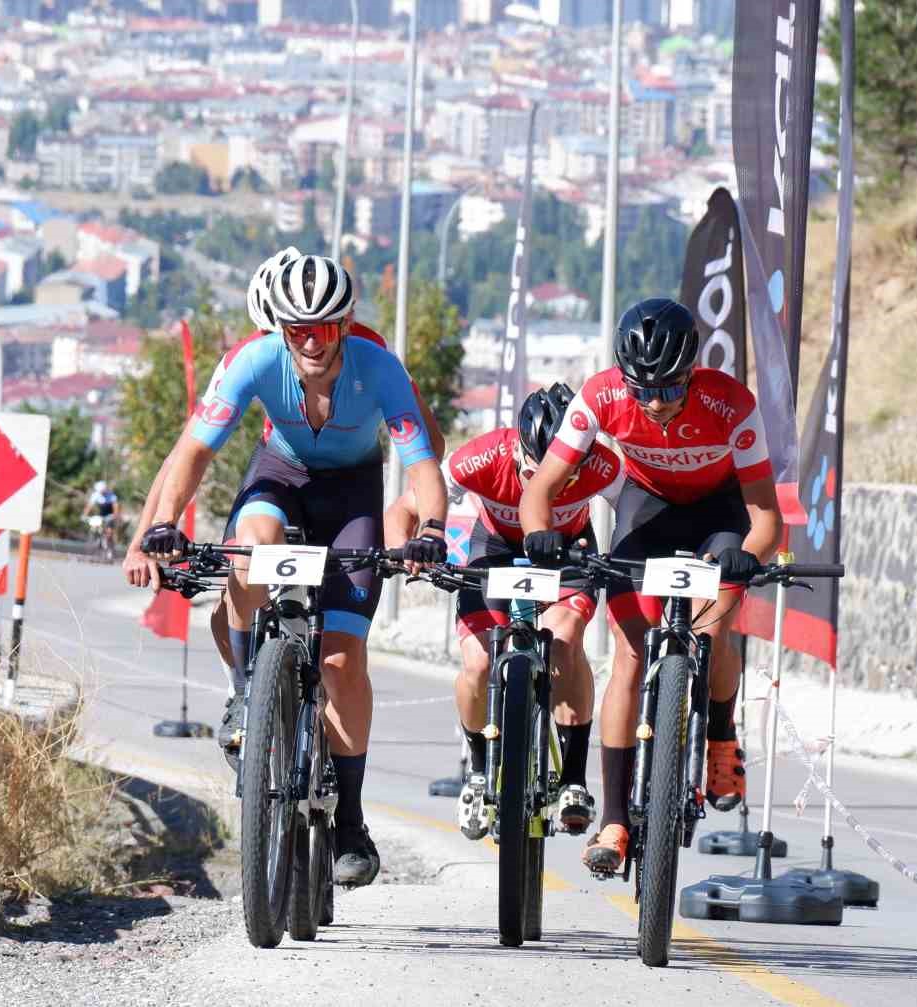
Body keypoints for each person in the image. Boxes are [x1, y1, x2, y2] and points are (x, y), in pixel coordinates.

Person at [140, 253, 450, 888]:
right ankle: (249, 691)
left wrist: (431, 530)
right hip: (278, 474)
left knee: (341, 659)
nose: (312, 341)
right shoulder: (253, 360)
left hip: (351, 493)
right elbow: (194, 450)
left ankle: (351, 824)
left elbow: (421, 463)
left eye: (326, 328)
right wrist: (165, 522)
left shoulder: (380, 367)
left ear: (346, 324)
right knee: (252, 545)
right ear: (280, 329)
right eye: (299, 329)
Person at [519, 298, 784, 878]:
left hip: (719, 514)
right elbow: (540, 488)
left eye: (669, 388)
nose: (657, 403)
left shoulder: (731, 404)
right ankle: (613, 817)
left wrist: (748, 555)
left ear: (692, 372)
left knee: (711, 626)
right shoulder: (600, 396)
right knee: (630, 655)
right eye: (644, 389)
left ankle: (719, 736)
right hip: (648, 511)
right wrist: (539, 535)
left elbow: (767, 517)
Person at [384, 383, 621, 839]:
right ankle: (476, 769)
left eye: (566, 478)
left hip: (567, 551)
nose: (552, 485)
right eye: (536, 475)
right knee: (476, 664)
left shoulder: (598, 462)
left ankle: (573, 776)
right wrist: (403, 550)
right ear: (516, 453)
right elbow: (405, 510)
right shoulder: (481, 457)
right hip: (492, 550)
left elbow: (640, 507)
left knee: (565, 642)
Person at [83, 480, 120, 552]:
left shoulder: (111, 495)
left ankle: (110, 547)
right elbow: (89, 506)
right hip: (101, 515)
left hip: (110, 515)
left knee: (109, 531)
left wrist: (115, 516)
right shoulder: (96, 495)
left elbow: (115, 507)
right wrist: (84, 515)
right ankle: (95, 540)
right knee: (95, 525)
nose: (101, 492)